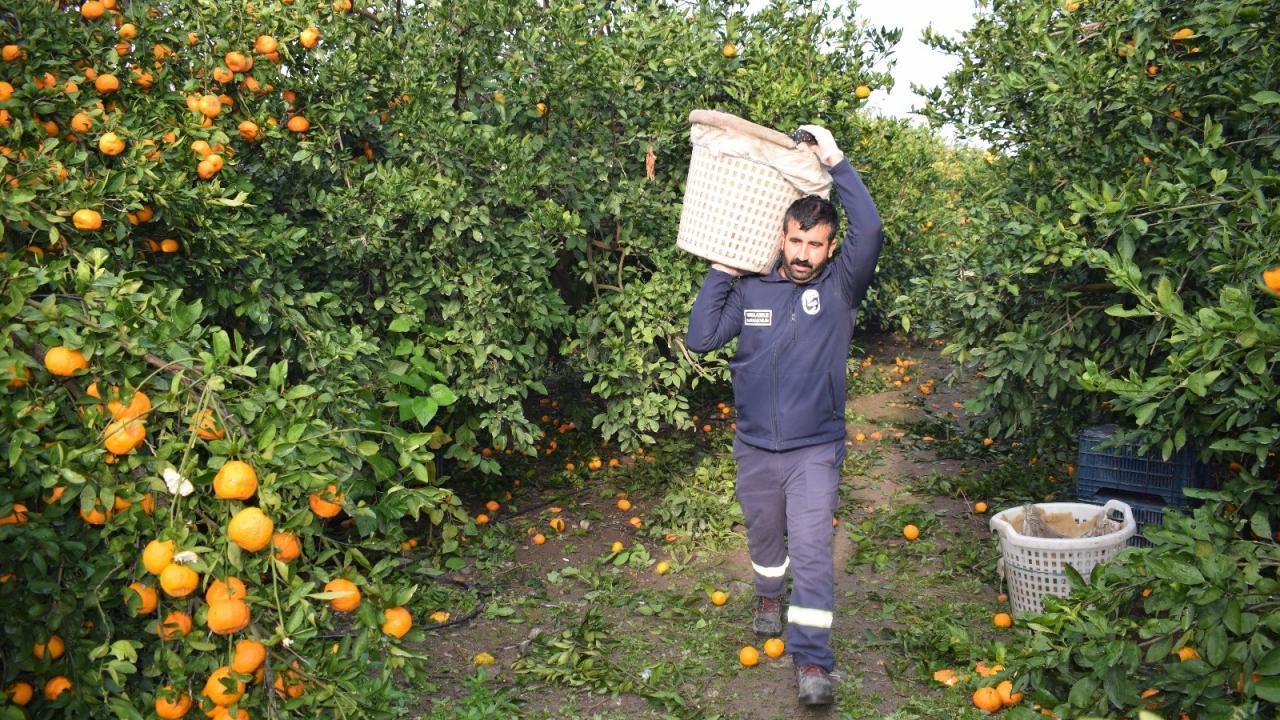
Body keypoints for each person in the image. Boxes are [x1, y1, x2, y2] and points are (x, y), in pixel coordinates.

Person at [684, 124, 883, 706]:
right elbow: (701, 338)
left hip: (814, 448)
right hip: (754, 445)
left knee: (814, 551)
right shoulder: (753, 288)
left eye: (815, 245)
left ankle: (813, 660)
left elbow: (870, 229)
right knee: (765, 536)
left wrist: (836, 160)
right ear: (781, 236)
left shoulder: (842, 288)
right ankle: (769, 594)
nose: (802, 255)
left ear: (830, 248)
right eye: (796, 241)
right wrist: (722, 270)